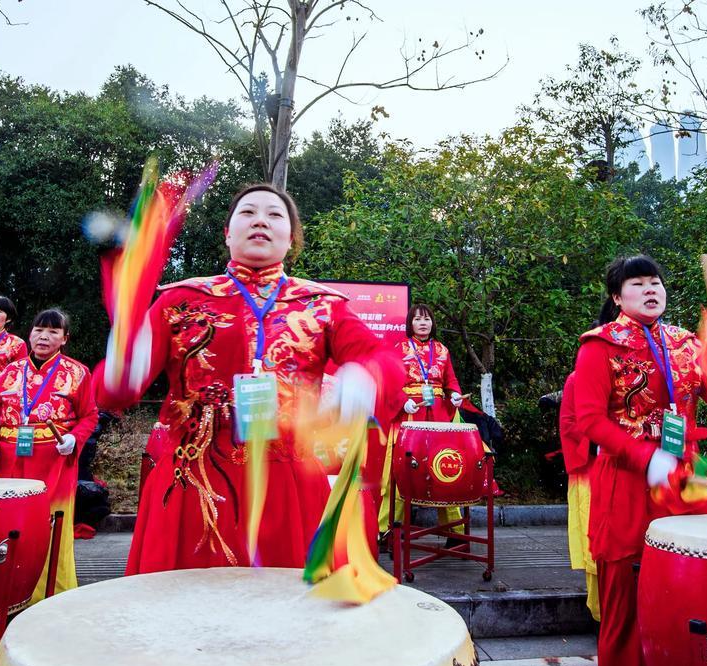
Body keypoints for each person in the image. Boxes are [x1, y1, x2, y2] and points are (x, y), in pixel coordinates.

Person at [98, 182, 405, 573]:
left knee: (285, 617)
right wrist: (124, 364)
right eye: (248, 212)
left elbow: (385, 362)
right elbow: (113, 393)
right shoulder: (181, 300)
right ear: (227, 233)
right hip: (193, 483)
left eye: (274, 214)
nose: (260, 220)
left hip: (289, 486)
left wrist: (364, 378)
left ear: (291, 237)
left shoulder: (323, 306)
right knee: (181, 615)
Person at [572, 254, 707, 666]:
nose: (650, 289)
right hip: (627, 489)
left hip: (683, 485)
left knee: (697, 610)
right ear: (618, 297)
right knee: (625, 620)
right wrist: (644, 456)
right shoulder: (600, 346)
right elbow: (589, 421)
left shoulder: (684, 343)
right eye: (637, 284)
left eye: (655, 281)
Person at [0, 309, 98, 639]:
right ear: (30, 334)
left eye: (52, 331)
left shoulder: (78, 373)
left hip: (53, 463)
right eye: (38, 330)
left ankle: (48, 616)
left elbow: (89, 416)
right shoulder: (8, 372)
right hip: (6, 462)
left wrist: (74, 439)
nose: (43, 336)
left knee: (47, 535)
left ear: (65, 338)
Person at [381, 303, 467, 537]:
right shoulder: (398, 348)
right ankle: (386, 530)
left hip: (439, 416)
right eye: (418, 319)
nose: (422, 323)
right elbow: (389, 382)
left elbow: (451, 381)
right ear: (410, 324)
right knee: (400, 472)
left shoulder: (442, 350)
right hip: (409, 415)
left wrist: (455, 396)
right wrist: (401, 401)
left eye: (427, 319)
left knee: (445, 469)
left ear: (432, 323)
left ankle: (455, 532)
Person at [559, 371, 600, 621]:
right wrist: (600, 442)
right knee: (594, 535)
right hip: (593, 468)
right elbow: (569, 422)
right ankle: (600, 614)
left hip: (631, 469)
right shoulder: (578, 379)